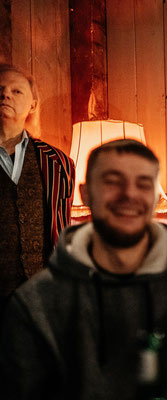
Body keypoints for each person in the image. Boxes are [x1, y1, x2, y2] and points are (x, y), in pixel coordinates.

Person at [0, 139, 167, 399]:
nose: (129, 194)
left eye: (143, 183)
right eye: (113, 181)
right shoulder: (37, 302)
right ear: (85, 193)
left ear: (154, 196)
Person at [0, 64, 75, 317]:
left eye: (16, 91)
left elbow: (61, 232)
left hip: (40, 300)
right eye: (0, 89)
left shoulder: (57, 162)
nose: (5, 95)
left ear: (33, 104)